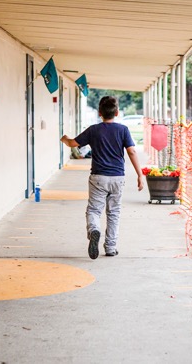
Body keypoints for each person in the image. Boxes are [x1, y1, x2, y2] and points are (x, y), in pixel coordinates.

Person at [60, 96, 143, 259]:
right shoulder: (123, 130)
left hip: (98, 177)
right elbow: (132, 151)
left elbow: (72, 144)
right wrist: (140, 174)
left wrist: (64, 139)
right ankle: (111, 247)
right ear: (117, 112)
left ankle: (93, 230)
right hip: (117, 177)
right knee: (114, 212)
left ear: (100, 113)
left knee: (94, 209)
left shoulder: (93, 130)